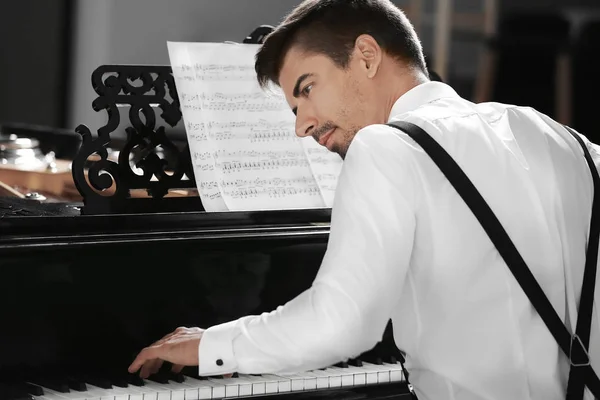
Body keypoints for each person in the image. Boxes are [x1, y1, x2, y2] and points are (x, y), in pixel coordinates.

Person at [128, 0, 600, 398]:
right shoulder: (565, 139)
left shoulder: (386, 146)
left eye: (307, 89)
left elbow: (341, 324)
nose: (302, 125)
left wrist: (212, 343)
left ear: (367, 56)